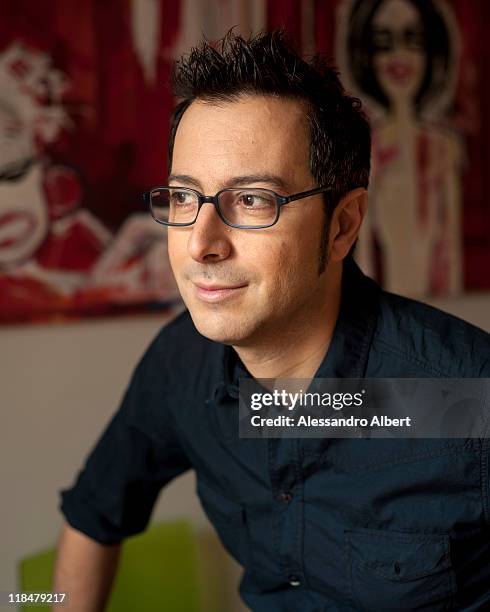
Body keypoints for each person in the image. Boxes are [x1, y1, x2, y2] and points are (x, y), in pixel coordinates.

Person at [53, 30, 490, 611]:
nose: (200, 245)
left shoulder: (466, 396)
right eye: (184, 198)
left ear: (342, 225)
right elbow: (93, 514)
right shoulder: (180, 365)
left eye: (253, 200)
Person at [338, 0, 462, 296]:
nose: (399, 56)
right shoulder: (369, 145)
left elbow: (450, 245)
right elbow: (364, 244)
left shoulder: (443, 147)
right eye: (384, 44)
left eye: (412, 41)